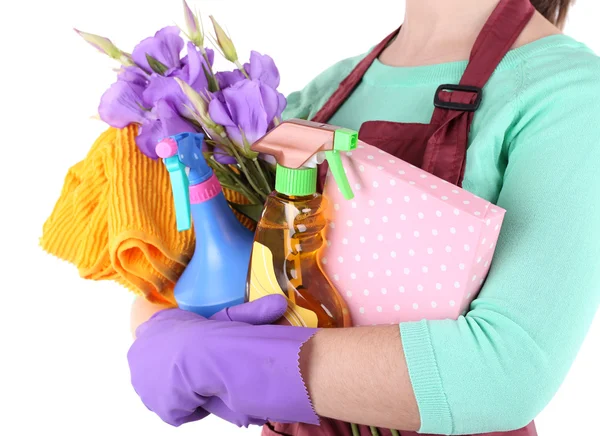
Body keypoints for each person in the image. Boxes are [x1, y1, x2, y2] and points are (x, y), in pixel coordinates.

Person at [126, 0, 600, 435]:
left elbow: (503, 374)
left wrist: (230, 360)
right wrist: (166, 328)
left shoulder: (569, 96)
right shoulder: (325, 93)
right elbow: (177, 284)